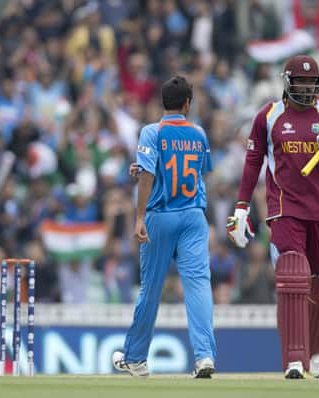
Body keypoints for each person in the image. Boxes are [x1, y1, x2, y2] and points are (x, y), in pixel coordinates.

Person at [226, 55, 319, 379]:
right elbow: (253, 162)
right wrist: (241, 207)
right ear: (288, 83)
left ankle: (318, 353)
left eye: (312, 83)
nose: (307, 88)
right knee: (294, 273)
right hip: (285, 209)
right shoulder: (268, 116)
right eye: (301, 82)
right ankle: (295, 359)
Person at [113, 76, 216, 378]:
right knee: (197, 285)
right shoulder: (199, 133)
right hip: (193, 216)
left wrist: (139, 216)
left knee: (151, 288)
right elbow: (198, 172)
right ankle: (205, 356)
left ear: (163, 103)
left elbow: (147, 176)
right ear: (187, 104)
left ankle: (135, 358)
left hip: (160, 215)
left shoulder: (151, 132)